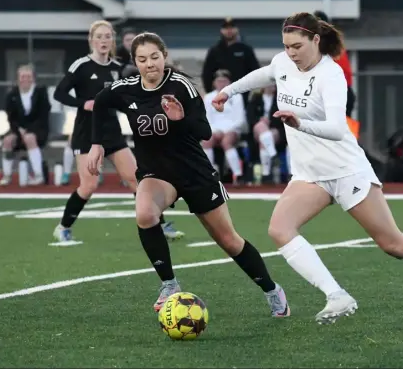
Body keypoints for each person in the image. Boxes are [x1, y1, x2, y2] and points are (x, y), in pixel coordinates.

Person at [211, 12, 403, 329]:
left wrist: (298, 123)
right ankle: (336, 295)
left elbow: (336, 128)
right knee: (280, 229)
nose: (291, 53)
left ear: (316, 40)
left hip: (346, 170)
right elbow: (266, 73)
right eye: (286, 46)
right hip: (309, 175)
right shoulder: (283, 62)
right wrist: (228, 91)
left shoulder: (331, 75)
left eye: (297, 46)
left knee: (392, 244)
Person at [86, 31, 289, 317]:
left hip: (193, 171)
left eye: (155, 57)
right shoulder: (127, 88)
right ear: (135, 62)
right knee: (145, 214)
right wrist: (97, 143)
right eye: (142, 59)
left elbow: (204, 132)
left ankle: (272, 290)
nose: (149, 64)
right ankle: (169, 284)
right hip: (157, 173)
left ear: (164, 56)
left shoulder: (181, 86)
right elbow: (101, 103)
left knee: (229, 240)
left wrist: (180, 119)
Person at [53, 21, 183, 242]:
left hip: (112, 132)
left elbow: (125, 97)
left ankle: (160, 225)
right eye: (99, 36)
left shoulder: (117, 68)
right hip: (86, 133)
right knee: (89, 185)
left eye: (107, 37)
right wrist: (83, 103)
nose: (104, 41)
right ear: (92, 40)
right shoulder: (81, 65)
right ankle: (63, 227)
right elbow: (59, 93)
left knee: (137, 179)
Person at [0, 64, 51, 186]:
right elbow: (11, 118)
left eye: (28, 76)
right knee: (7, 140)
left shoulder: (41, 92)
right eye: (22, 76)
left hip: (39, 129)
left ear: (33, 78)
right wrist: (19, 131)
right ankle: (7, 176)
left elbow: (43, 116)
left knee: (29, 138)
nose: (25, 79)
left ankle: (39, 176)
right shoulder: (12, 94)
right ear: (18, 78)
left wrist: (28, 131)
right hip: (18, 129)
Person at [201, 18, 260, 105]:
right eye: (226, 28)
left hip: (242, 95)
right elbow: (207, 74)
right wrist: (211, 92)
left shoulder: (246, 49)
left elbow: (255, 72)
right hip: (220, 96)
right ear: (221, 30)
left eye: (231, 28)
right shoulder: (215, 51)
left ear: (237, 29)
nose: (229, 31)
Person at [202, 69, 247, 184]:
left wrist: (226, 131)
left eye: (224, 81)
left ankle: (237, 175)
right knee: (207, 141)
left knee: (226, 142)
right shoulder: (208, 97)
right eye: (219, 81)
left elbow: (240, 119)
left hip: (232, 129)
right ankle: (209, 174)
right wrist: (216, 131)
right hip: (215, 130)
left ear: (229, 82)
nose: (221, 84)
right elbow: (207, 118)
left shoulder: (236, 96)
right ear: (214, 83)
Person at [246, 84, 287, 183]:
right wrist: (261, 120)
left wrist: (269, 121)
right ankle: (273, 155)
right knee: (261, 127)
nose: (271, 86)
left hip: (275, 129)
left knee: (264, 138)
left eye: (273, 84)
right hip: (257, 129)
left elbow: (283, 118)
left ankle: (266, 174)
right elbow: (250, 117)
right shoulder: (255, 98)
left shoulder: (280, 99)